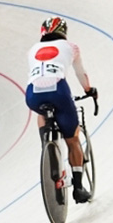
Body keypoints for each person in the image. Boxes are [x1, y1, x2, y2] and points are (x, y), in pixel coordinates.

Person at [25, 16, 97, 204]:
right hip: (59, 92)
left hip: (32, 95)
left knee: (41, 111)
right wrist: (89, 90)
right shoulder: (71, 47)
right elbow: (80, 73)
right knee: (72, 140)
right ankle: (79, 188)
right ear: (63, 32)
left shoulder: (32, 50)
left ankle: (46, 147)